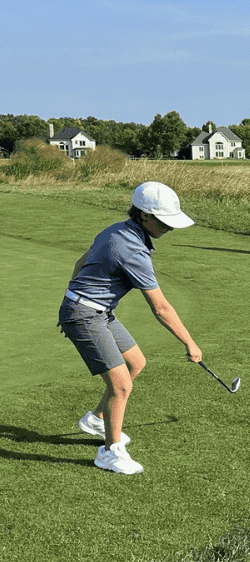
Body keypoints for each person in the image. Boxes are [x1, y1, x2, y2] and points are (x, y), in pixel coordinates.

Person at [58, 181, 203, 474]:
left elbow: (80, 262)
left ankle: (97, 419)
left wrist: (69, 300)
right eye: (163, 221)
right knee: (121, 385)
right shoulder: (131, 249)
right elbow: (160, 308)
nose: (169, 228)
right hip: (86, 314)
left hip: (94, 310)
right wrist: (190, 343)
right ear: (144, 215)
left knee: (135, 362)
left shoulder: (116, 229)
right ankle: (110, 452)